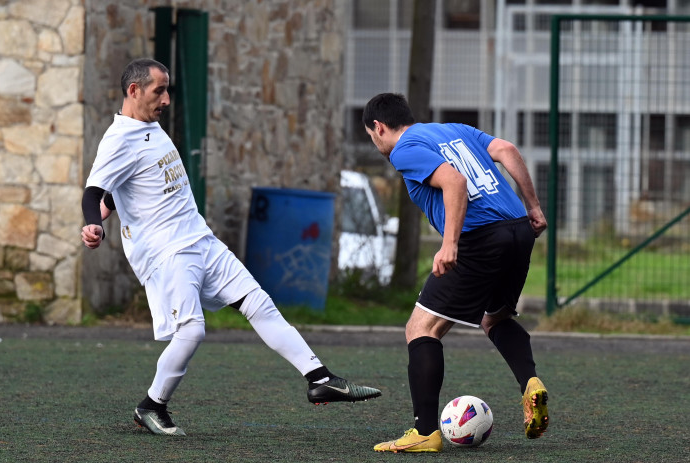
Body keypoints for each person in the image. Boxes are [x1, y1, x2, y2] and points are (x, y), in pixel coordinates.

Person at [80, 58, 381, 436]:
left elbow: (120, 190)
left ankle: (319, 378)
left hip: (200, 239)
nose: (167, 99)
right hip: (169, 252)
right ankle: (151, 406)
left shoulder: (150, 127)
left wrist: (104, 213)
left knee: (258, 302)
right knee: (191, 332)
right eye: (160, 90)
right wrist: (93, 222)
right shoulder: (118, 138)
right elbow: (95, 190)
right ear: (133, 91)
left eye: (168, 89)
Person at [362, 93, 549, 453]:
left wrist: (449, 245)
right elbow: (508, 149)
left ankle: (425, 433)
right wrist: (534, 207)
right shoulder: (454, 130)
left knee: (421, 328)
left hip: (480, 239)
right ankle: (531, 384)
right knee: (494, 319)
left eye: (372, 135)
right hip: (518, 230)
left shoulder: (403, 150)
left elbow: (455, 183)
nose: (375, 142)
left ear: (379, 128)